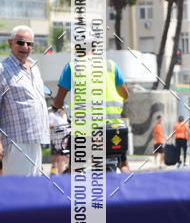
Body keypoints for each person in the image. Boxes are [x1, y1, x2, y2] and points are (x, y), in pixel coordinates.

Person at [52, 43, 130, 172]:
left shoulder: (72, 67)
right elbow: (125, 94)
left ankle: (66, 191)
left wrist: (55, 105)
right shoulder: (111, 65)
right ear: (94, 47)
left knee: (75, 168)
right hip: (112, 128)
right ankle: (131, 190)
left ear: (77, 48)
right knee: (123, 164)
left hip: (84, 130)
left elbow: (59, 100)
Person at [0, 25, 50, 176]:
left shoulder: (34, 66)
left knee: (33, 191)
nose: (25, 47)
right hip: (16, 141)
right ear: (10, 43)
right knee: (18, 192)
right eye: (20, 42)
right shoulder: (3, 69)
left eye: (29, 44)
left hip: (35, 138)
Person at [49, 106, 70, 174]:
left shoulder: (65, 115)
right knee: (57, 158)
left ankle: (59, 173)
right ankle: (57, 173)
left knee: (63, 158)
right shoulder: (52, 115)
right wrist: (56, 128)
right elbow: (50, 125)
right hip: (56, 139)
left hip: (65, 139)